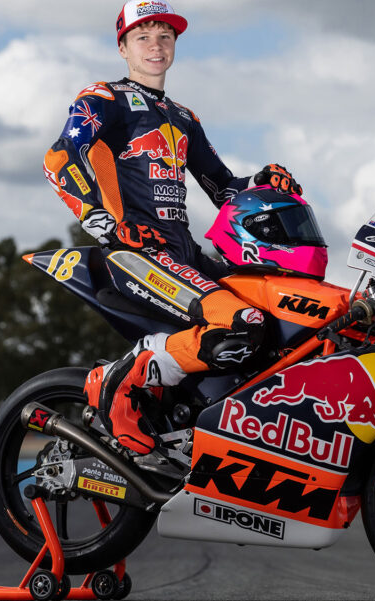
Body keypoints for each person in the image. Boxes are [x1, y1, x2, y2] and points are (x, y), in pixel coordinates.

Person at [43, 0, 302, 455]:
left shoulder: (183, 117)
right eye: (143, 36)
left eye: (165, 35)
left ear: (176, 44)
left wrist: (262, 181)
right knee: (243, 323)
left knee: (286, 319)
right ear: (123, 47)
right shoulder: (105, 98)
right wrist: (100, 221)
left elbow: (222, 188)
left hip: (185, 254)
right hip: (136, 252)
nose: (155, 45)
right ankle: (119, 379)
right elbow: (60, 156)